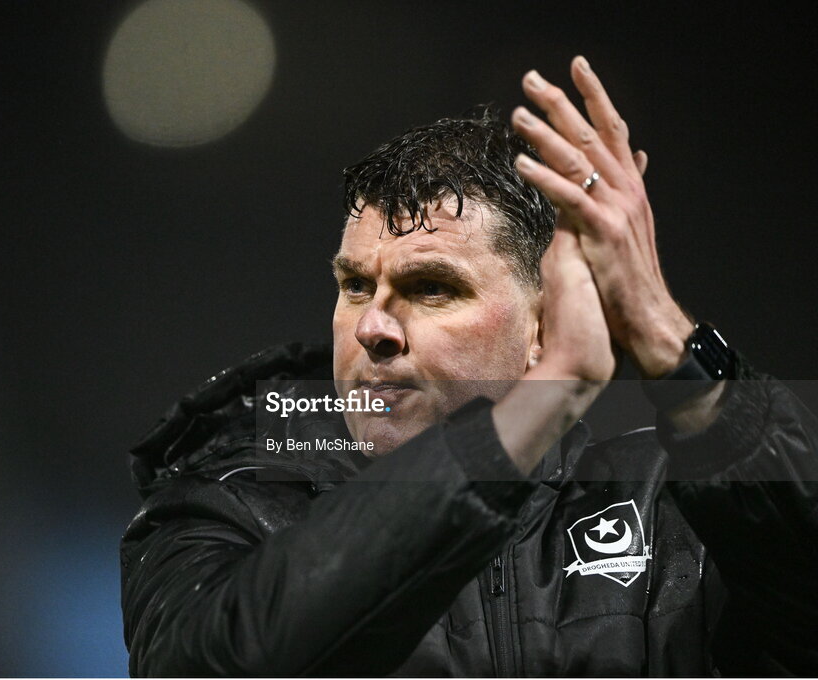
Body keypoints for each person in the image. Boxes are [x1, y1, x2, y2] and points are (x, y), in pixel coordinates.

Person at [120, 57, 818, 676]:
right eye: (356, 285)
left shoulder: (674, 508)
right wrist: (539, 406)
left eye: (432, 288)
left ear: (544, 325)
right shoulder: (229, 502)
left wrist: (666, 336)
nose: (372, 328)